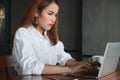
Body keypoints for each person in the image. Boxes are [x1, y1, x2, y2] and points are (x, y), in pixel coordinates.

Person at [12, 0, 97, 75]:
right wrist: (69, 69)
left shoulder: (50, 36)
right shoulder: (23, 33)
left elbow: (63, 57)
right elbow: (29, 67)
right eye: (50, 14)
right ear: (36, 12)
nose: (54, 19)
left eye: (56, 15)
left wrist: (79, 64)